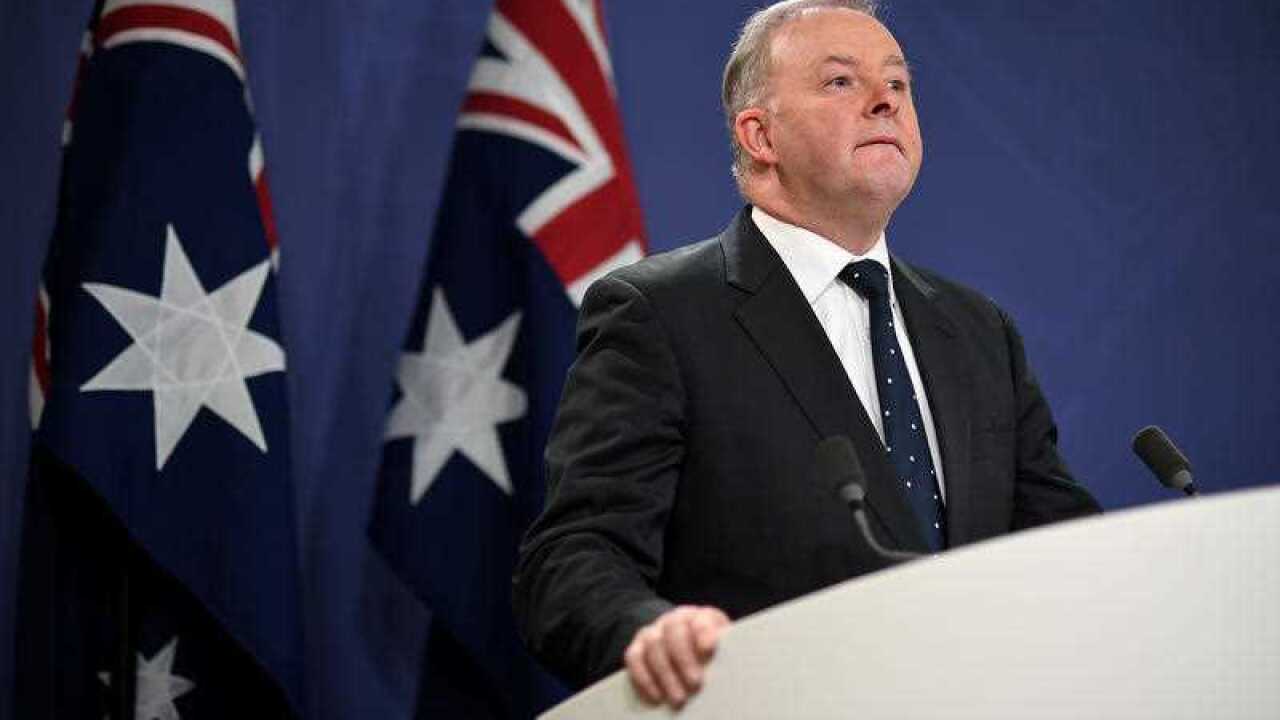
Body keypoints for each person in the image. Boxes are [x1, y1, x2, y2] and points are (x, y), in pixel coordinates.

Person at [513, 0, 1101, 709]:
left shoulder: (978, 332)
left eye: (899, 83)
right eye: (840, 83)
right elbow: (572, 557)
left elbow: (1065, 549)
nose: (885, 100)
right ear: (760, 134)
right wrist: (648, 630)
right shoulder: (661, 314)